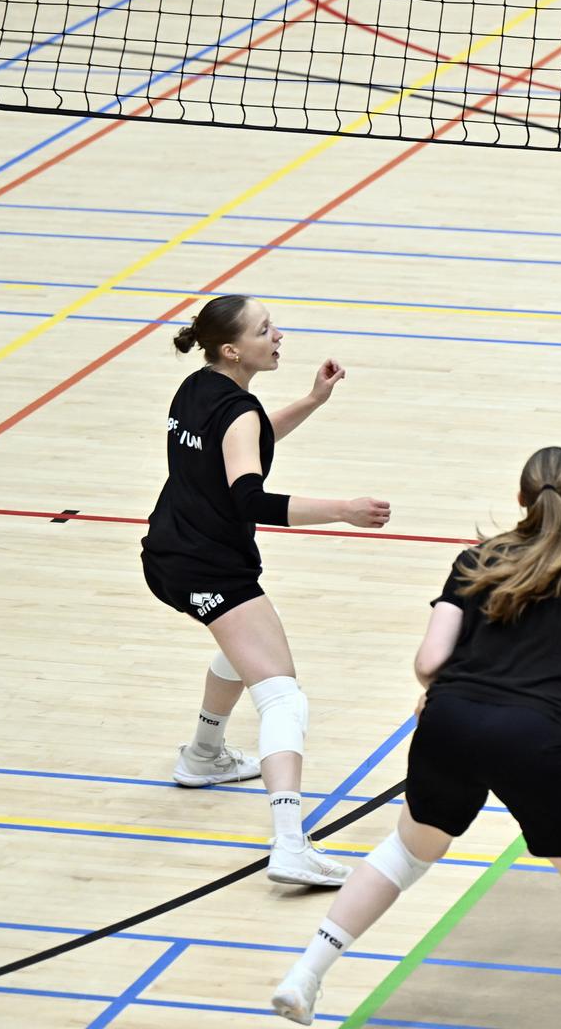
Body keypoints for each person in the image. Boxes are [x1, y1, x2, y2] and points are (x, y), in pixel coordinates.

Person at [271, 446, 561, 1026]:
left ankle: (304, 977)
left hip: (451, 722)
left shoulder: (478, 559)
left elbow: (429, 659)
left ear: (520, 499)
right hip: (537, 739)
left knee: (408, 852)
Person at [142, 294, 392, 887]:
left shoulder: (196, 389)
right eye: (265, 329)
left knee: (241, 647)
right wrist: (344, 510)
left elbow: (243, 440)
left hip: (168, 552)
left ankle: (203, 756)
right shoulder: (239, 411)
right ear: (234, 349)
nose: (277, 335)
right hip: (209, 566)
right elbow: (249, 496)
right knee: (283, 696)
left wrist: (310, 400)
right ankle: (289, 845)